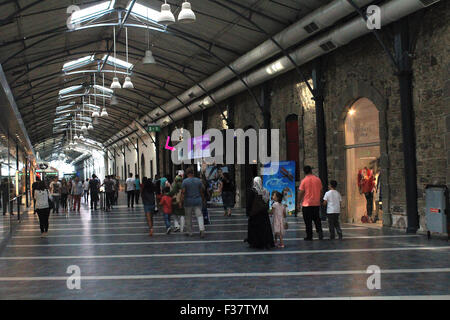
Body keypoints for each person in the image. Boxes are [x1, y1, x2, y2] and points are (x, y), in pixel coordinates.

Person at [246, 177, 274, 249]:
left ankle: (255, 243)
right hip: (264, 213)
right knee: (265, 228)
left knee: (255, 229)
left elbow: (249, 203)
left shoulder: (253, 191)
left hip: (255, 214)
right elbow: (267, 202)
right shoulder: (266, 191)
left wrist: (248, 213)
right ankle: (266, 242)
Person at [297, 166, 324, 241]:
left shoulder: (304, 181)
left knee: (308, 221)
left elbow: (301, 192)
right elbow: (321, 191)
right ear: (311, 171)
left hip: (307, 204)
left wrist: (298, 203)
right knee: (317, 219)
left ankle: (309, 236)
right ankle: (320, 232)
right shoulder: (318, 179)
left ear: (304, 172)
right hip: (316, 203)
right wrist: (319, 198)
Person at [181, 167, 206, 238]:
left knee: (188, 217)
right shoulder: (198, 181)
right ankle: (202, 230)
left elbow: (183, 192)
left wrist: (181, 201)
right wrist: (203, 199)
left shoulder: (185, 181)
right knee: (199, 216)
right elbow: (201, 191)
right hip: (197, 200)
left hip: (188, 201)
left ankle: (190, 232)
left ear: (187, 173)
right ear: (193, 173)